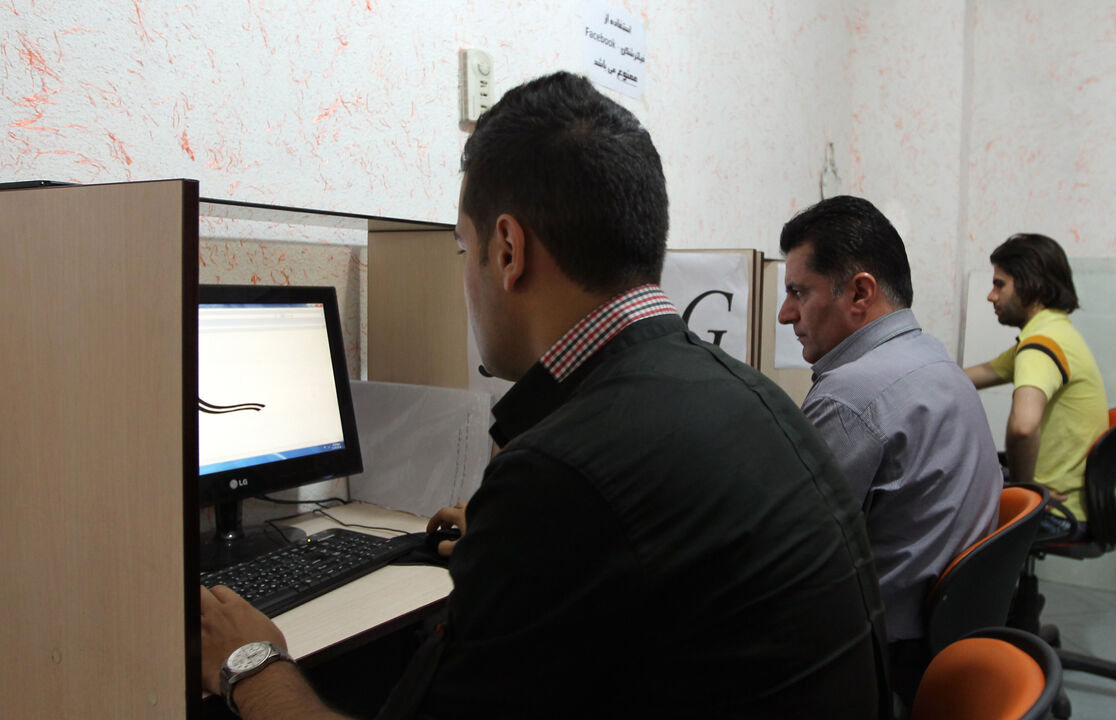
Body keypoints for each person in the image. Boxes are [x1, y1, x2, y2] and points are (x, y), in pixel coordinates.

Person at [200, 72, 889, 719]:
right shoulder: (747, 396)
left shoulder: (560, 478)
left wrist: (249, 659)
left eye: (462, 248)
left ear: (507, 250)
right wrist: (511, 540)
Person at [777, 195, 1001, 700]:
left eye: (798, 291)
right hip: (946, 637)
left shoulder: (851, 397)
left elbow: (791, 557)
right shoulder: (934, 359)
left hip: (883, 655)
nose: (784, 313)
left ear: (860, 293)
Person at [964, 234, 1107, 541]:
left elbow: (1024, 427)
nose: (991, 296)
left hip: (1056, 514)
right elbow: (975, 374)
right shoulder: (1054, 333)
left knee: (941, 510)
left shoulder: (1041, 346)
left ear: (1030, 285)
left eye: (1000, 284)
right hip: (1069, 506)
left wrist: (1026, 494)